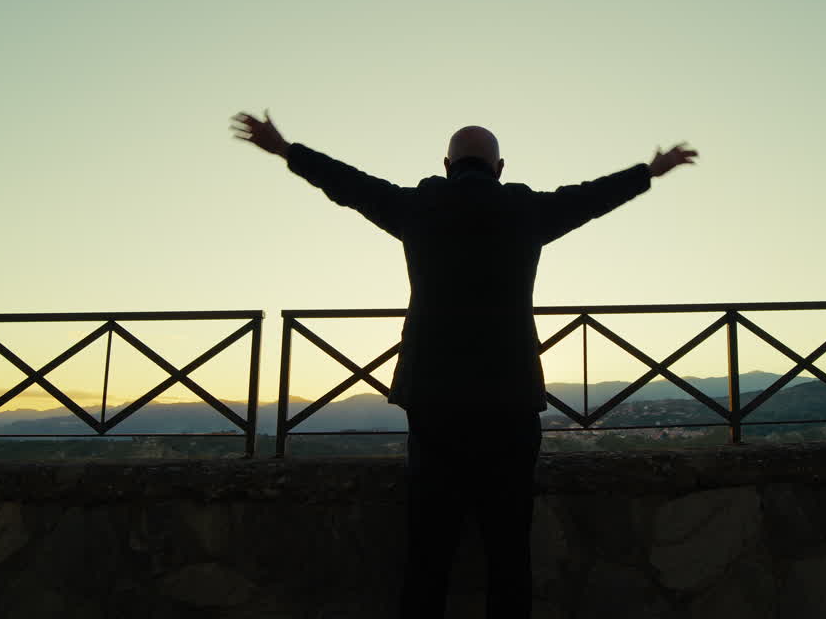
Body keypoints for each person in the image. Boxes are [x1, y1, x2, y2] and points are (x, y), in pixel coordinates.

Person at [230, 111, 697, 618]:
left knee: (428, 556)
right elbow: (590, 198)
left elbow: (350, 184)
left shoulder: (417, 207)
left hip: (433, 404)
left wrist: (285, 149)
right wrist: (649, 171)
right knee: (508, 556)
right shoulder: (526, 210)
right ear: (499, 168)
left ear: (447, 164)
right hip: (510, 403)